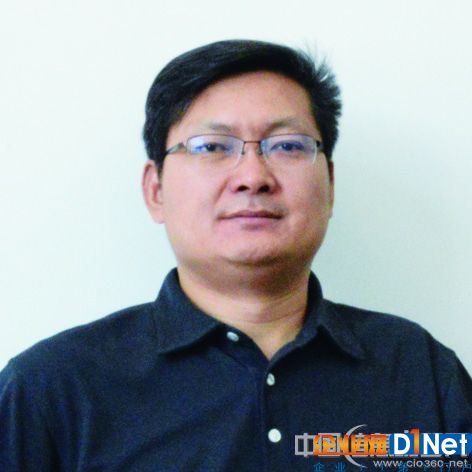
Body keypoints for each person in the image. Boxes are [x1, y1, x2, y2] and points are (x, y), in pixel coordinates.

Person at [1, 39, 471, 472]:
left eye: (287, 146)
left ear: (330, 185)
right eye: (211, 147)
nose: (252, 177)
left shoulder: (420, 371)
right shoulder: (52, 390)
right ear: (155, 189)